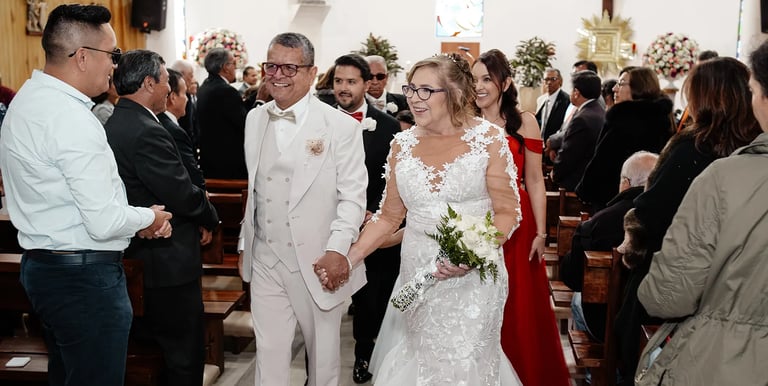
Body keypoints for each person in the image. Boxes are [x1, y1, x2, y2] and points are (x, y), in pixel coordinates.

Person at [0, 5, 172, 385]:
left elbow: (70, 201)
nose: (115, 65)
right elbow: (103, 219)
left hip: (45, 267)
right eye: (113, 55)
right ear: (81, 57)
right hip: (83, 278)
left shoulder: (27, 101)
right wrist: (151, 218)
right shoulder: (71, 118)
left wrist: (135, 219)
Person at [332, 53, 523, 385]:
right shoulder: (401, 146)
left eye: (425, 91)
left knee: (465, 362)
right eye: (410, 89)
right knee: (423, 357)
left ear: (454, 93)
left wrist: (473, 250)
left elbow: (508, 212)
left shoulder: (488, 140)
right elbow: (389, 217)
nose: (414, 99)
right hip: (417, 273)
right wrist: (348, 259)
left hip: (473, 279)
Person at [616, 56, 762, 381]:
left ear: (706, 97)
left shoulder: (693, 148)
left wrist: (633, 245)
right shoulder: (751, 150)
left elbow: (652, 214)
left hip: (679, 284)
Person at [238, 32, 368, 386]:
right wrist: (244, 244)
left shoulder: (340, 127)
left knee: (323, 360)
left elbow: (353, 197)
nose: (278, 74)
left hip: (317, 261)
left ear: (312, 73)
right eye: (271, 65)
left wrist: (337, 251)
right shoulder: (254, 119)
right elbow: (255, 188)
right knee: (269, 355)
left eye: (289, 67)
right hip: (265, 257)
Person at [105, 50, 219, 386]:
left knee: (153, 347)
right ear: (148, 83)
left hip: (139, 255)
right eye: (166, 83)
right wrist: (210, 216)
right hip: (166, 261)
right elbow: (180, 191)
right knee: (183, 355)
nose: (169, 91)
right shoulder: (146, 129)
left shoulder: (115, 121)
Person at [472, 48, 570, 386]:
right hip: (475, 218)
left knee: (518, 304)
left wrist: (541, 232)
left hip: (518, 220)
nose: (479, 86)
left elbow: (535, 179)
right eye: (474, 80)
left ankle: (522, 373)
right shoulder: (464, 121)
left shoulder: (524, 121)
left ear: (506, 82)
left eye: (487, 79)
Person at [330, 53, 402, 384]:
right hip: (325, 222)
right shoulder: (320, 120)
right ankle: (318, 366)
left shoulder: (386, 126)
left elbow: (392, 177)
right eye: (338, 81)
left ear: (366, 84)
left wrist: (373, 211)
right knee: (322, 301)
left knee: (370, 298)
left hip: (371, 224)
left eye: (351, 82)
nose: (344, 88)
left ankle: (364, 354)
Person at [561, 151, 657, 342]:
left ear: (626, 183)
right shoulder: (671, 218)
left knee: (577, 300)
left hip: (604, 323)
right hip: (653, 322)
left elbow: (572, 277)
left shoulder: (600, 222)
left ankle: (591, 372)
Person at [576, 66, 674, 211]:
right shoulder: (662, 118)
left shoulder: (623, 121)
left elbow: (601, 166)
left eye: (621, 83)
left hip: (615, 203)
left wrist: (583, 190)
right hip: (650, 203)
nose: (615, 89)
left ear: (638, 87)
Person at [196, 47, 248, 179]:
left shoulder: (204, 87)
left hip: (209, 160)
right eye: (233, 64)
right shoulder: (226, 91)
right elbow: (245, 123)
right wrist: (259, 101)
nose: (235, 69)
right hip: (228, 164)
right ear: (225, 67)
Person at [551, 70, 605, 191]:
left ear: (576, 93)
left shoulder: (582, 118)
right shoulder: (598, 110)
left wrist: (555, 173)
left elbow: (569, 154)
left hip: (577, 183)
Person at [159, 68, 206, 190]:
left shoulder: (160, 122)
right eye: (185, 93)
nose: (187, 98)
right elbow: (191, 173)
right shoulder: (174, 131)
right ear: (173, 97)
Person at [169, 60, 199, 152]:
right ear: (181, 74)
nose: (193, 78)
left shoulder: (188, 95)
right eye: (191, 75)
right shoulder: (170, 95)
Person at [535, 68, 569, 143]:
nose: (549, 82)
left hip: (555, 145)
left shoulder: (567, 100)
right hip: (540, 143)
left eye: (553, 79)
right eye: (546, 79)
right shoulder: (541, 100)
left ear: (560, 81)